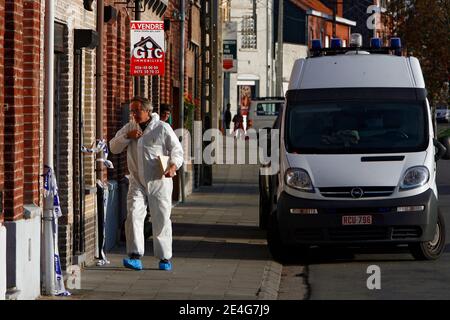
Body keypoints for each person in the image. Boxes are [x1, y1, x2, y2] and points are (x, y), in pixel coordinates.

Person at [110, 96, 183, 271]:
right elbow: (113, 147)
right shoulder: (130, 128)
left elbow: (177, 150)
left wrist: (173, 166)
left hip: (159, 180)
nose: (134, 114)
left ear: (148, 111)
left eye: (137, 110)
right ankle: (135, 255)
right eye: (132, 111)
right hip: (136, 180)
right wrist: (127, 137)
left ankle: (164, 258)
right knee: (134, 214)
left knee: (161, 217)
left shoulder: (162, 128)